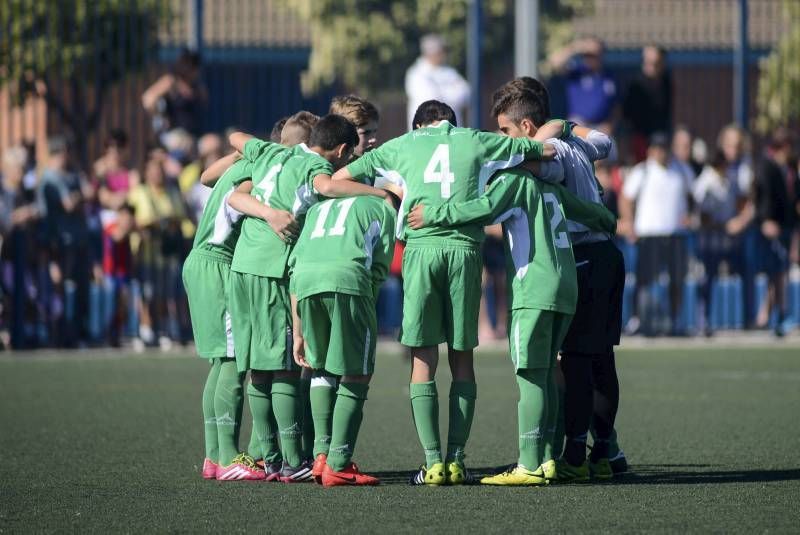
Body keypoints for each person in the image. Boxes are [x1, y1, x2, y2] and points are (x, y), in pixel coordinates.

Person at [332, 99, 556, 485]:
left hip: (421, 252)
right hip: (465, 253)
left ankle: (432, 463)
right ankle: (457, 459)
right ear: (452, 123)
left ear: (420, 126)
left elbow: (337, 178)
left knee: (423, 358)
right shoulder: (478, 140)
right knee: (462, 357)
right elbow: (546, 149)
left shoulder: (403, 144)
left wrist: (386, 193)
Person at [406, 133, 616, 486]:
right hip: (566, 286)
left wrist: (433, 213)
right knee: (550, 370)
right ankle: (548, 456)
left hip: (533, 288)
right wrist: (609, 221)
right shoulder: (551, 188)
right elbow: (593, 214)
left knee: (531, 374)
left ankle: (529, 463)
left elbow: (482, 209)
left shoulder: (514, 181)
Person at [226, 115, 389, 483]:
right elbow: (327, 187)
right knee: (285, 364)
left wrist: (265, 208)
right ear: (343, 151)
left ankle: (269, 459)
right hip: (272, 266)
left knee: (258, 366)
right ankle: (290, 460)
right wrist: (379, 193)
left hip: (242, 265)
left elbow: (236, 136)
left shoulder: (268, 152)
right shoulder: (315, 164)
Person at [502, 76, 628, 475]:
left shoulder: (552, 151)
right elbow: (607, 143)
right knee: (601, 360)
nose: (501, 138)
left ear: (527, 128)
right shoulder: (576, 142)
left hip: (584, 257)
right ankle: (606, 452)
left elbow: (523, 163)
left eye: (505, 130)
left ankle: (574, 456)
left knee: (573, 363)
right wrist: (569, 125)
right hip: (607, 254)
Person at [288, 189, 399, 486]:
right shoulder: (383, 207)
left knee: (320, 366)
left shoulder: (317, 209)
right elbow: (377, 269)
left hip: (306, 285)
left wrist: (298, 331)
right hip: (347, 281)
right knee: (358, 372)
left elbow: (295, 268)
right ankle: (338, 462)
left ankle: (321, 455)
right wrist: (367, 308)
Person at [620, 132, 693, 336]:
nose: (661, 152)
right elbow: (626, 199)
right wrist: (630, 224)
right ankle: (639, 319)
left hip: (675, 234)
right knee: (644, 280)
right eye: (657, 148)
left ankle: (675, 321)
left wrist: (688, 216)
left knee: (676, 280)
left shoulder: (681, 170)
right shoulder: (642, 171)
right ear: (651, 150)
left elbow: (692, 196)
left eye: (664, 148)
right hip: (648, 234)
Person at [37, 136, 91, 346]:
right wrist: (79, 197)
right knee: (61, 287)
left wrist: (79, 196)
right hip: (59, 241)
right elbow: (69, 204)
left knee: (75, 288)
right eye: (63, 153)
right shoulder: (50, 177)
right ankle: (59, 334)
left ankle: (73, 333)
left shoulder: (71, 175)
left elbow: (88, 193)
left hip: (76, 240)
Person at [693, 150, 752, 335]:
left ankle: (747, 319)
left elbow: (742, 203)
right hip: (710, 241)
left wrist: (739, 221)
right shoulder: (705, 184)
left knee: (745, 274)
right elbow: (703, 217)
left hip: (728, 240)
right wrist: (725, 225)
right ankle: (704, 321)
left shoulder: (729, 181)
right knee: (707, 279)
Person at [752, 128, 798, 336]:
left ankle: (773, 315)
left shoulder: (788, 167)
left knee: (782, 272)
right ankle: (774, 315)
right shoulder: (766, 165)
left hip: (787, 225)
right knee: (776, 272)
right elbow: (763, 194)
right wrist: (766, 220)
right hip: (772, 226)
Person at [0, 146, 40, 349]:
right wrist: (19, 216)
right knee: (6, 297)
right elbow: (4, 220)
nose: (22, 172)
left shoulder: (25, 191)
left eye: (23, 168)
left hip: (23, 251)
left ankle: (19, 336)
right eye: (18, 168)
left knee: (24, 295)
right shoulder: (2, 191)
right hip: (5, 253)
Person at [548, 37, 617, 132]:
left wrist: (610, 125)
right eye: (586, 55)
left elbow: (616, 106)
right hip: (577, 126)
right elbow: (554, 62)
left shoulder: (609, 77)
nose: (589, 58)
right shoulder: (576, 73)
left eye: (593, 55)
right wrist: (577, 47)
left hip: (600, 129)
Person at [405, 34, 470, 130]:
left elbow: (466, 93)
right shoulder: (416, 73)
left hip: (452, 134)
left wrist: (442, 94)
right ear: (431, 52)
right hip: (424, 137)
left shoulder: (449, 71)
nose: (444, 54)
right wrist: (450, 93)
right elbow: (430, 101)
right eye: (441, 51)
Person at [142, 49, 208, 137]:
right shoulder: (171, 82)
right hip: (174, 133)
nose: (198, 72)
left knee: (213, 142)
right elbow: (148, 98)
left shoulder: (196, 86)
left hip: (195, 134)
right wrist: (161, 116)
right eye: (196, 68)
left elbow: (205, 101)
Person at [623, 45, 672, 162]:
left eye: (655, 62)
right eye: (648, 62)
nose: (651, 66)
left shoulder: (666, 82)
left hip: (660, 136)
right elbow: (627, 114)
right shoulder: (635, 84)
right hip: (639, 137)